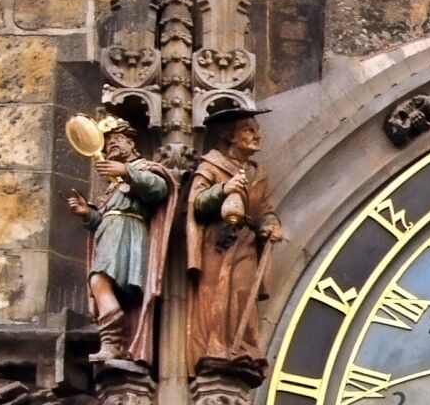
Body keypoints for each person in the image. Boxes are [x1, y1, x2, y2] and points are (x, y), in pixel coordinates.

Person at [64, 118, 175, 364]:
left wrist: (125, 171)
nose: (111, 147)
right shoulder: (111, 187)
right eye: (108, 145)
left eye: (116, 141)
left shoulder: (144, 168)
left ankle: (114, 339)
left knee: (99, 281)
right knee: (99, 283)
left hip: (128, 233)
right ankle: (112, 343)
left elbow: (158, 189)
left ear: (130, 142)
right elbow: (103, 218)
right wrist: (87, 214)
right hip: (110, 233)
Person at [186, 106, 284, 374]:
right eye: (249, 130)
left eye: (257, 129)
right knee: (218, 293)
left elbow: (264, 209)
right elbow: (197, 203)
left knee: (242, 291)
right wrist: (222, 190)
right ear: (230, 136)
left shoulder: (256, 173)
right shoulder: (212, 165)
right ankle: (216, 347)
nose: (257, 135)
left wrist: (270, 224)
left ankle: (243, 348)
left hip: (246, 242)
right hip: (218, 242)